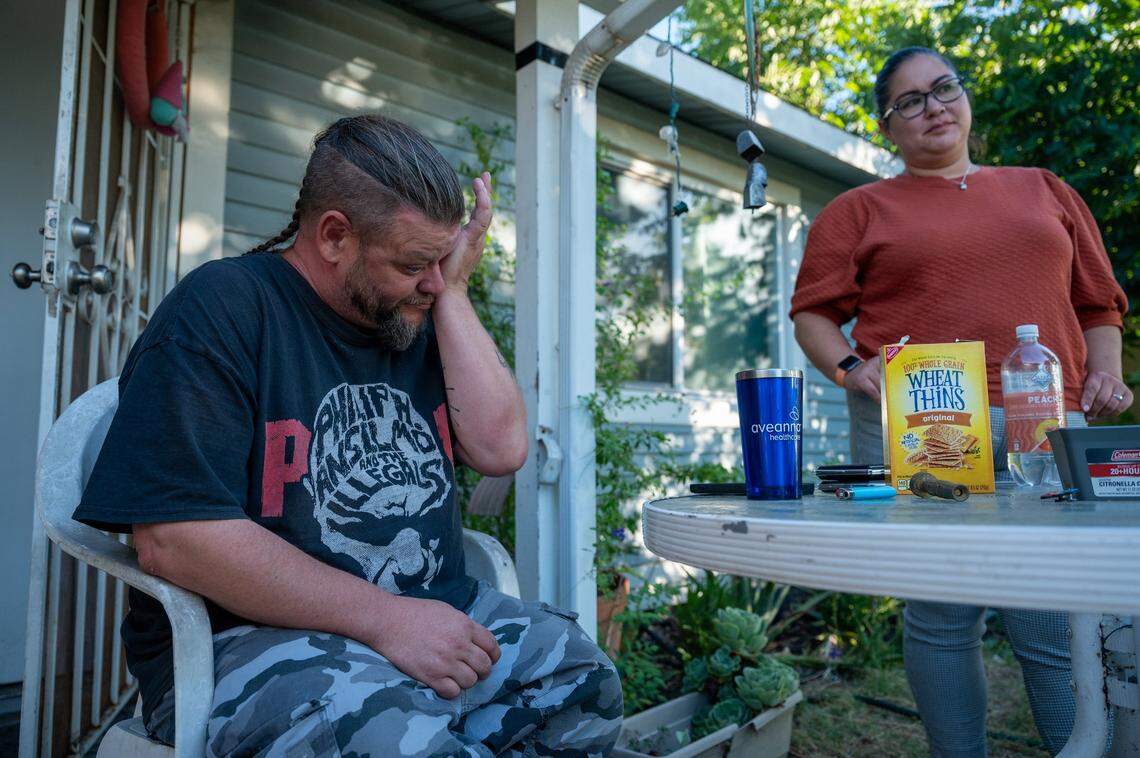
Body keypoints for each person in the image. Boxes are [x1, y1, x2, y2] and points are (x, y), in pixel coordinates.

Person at [74, 114, 623, 757]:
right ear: (335, 236)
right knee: (394, 736)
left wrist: (454, 290)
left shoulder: (409, 313)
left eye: (445, 261)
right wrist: (386, 620)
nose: (433, 281)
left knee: (582, 682)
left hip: (433, 615)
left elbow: (501, 450)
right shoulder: (224, 308)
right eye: (416, 262)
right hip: (249, 639)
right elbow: (176, 540)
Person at [790, 47, 1129, 756]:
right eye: (909, 101)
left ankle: (1078, 747)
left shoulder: (1044, 189)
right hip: (925, 432)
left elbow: (1098, 305)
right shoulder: (860, 210)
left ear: (965, 97)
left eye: (943, 89)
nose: (933, 108)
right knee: (942, 615)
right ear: (888, 126)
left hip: (1048, 433)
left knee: (1053, 620)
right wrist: (853, 367)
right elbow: (814, 315)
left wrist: (1104, 375)